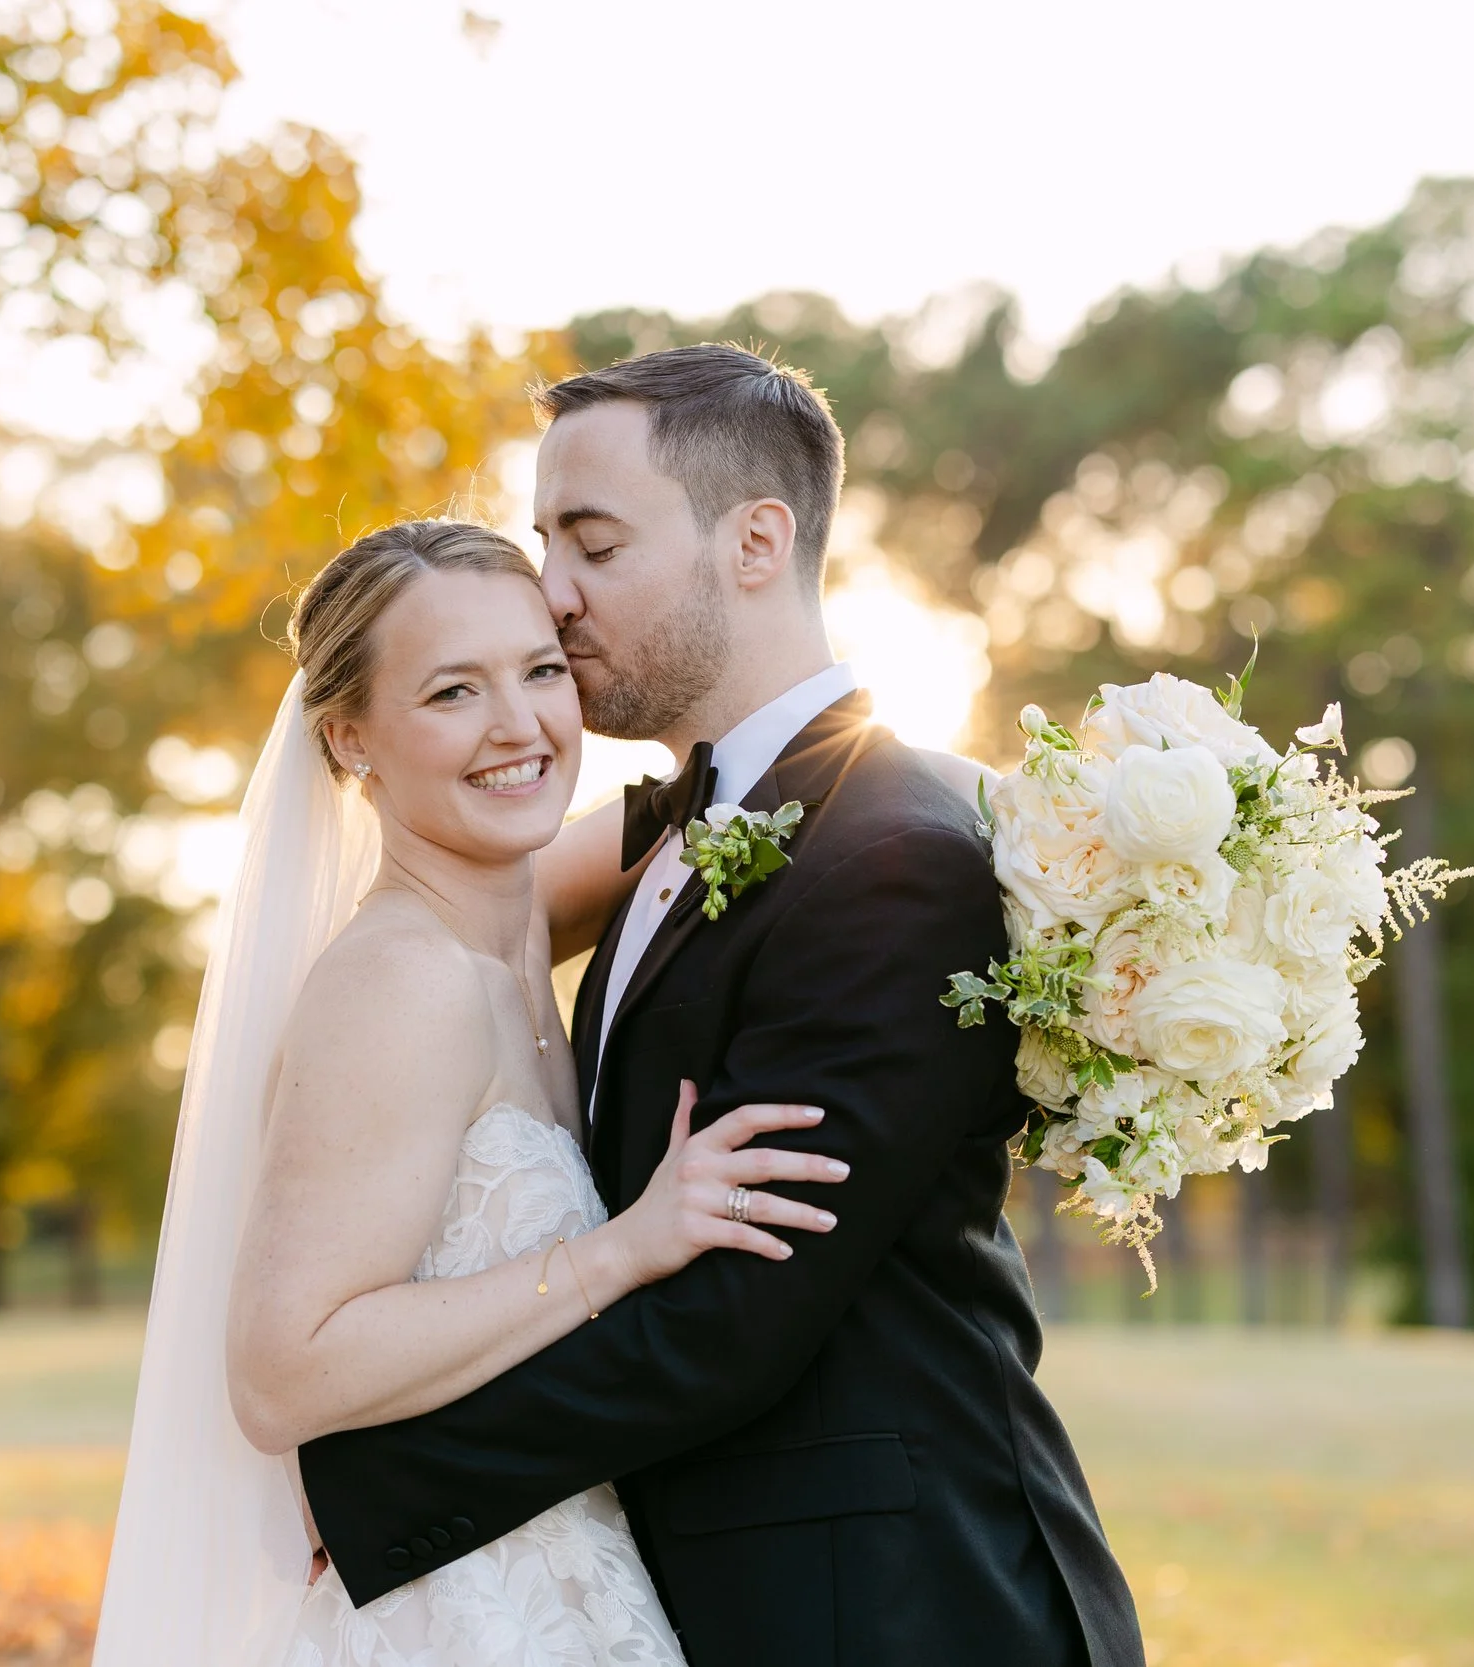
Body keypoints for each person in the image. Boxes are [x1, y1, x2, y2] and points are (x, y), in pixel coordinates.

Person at [295, 347, 1146, 1666]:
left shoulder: (893, 857)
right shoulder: (684, 826)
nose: (551, 594)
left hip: (895, 1601)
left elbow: (737, 1314)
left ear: (756, 540)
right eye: (545, 544)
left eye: (593, 544)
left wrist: (383, 1490)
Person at [93, 517, 846, 1667]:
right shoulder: (403, 981)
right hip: (456, 1615)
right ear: (351, 738)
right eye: (451, 692)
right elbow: (281, 1368)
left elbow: (751, 798)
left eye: (541, 669)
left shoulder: (516, 911)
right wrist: (626, 1248)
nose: (520, 726)